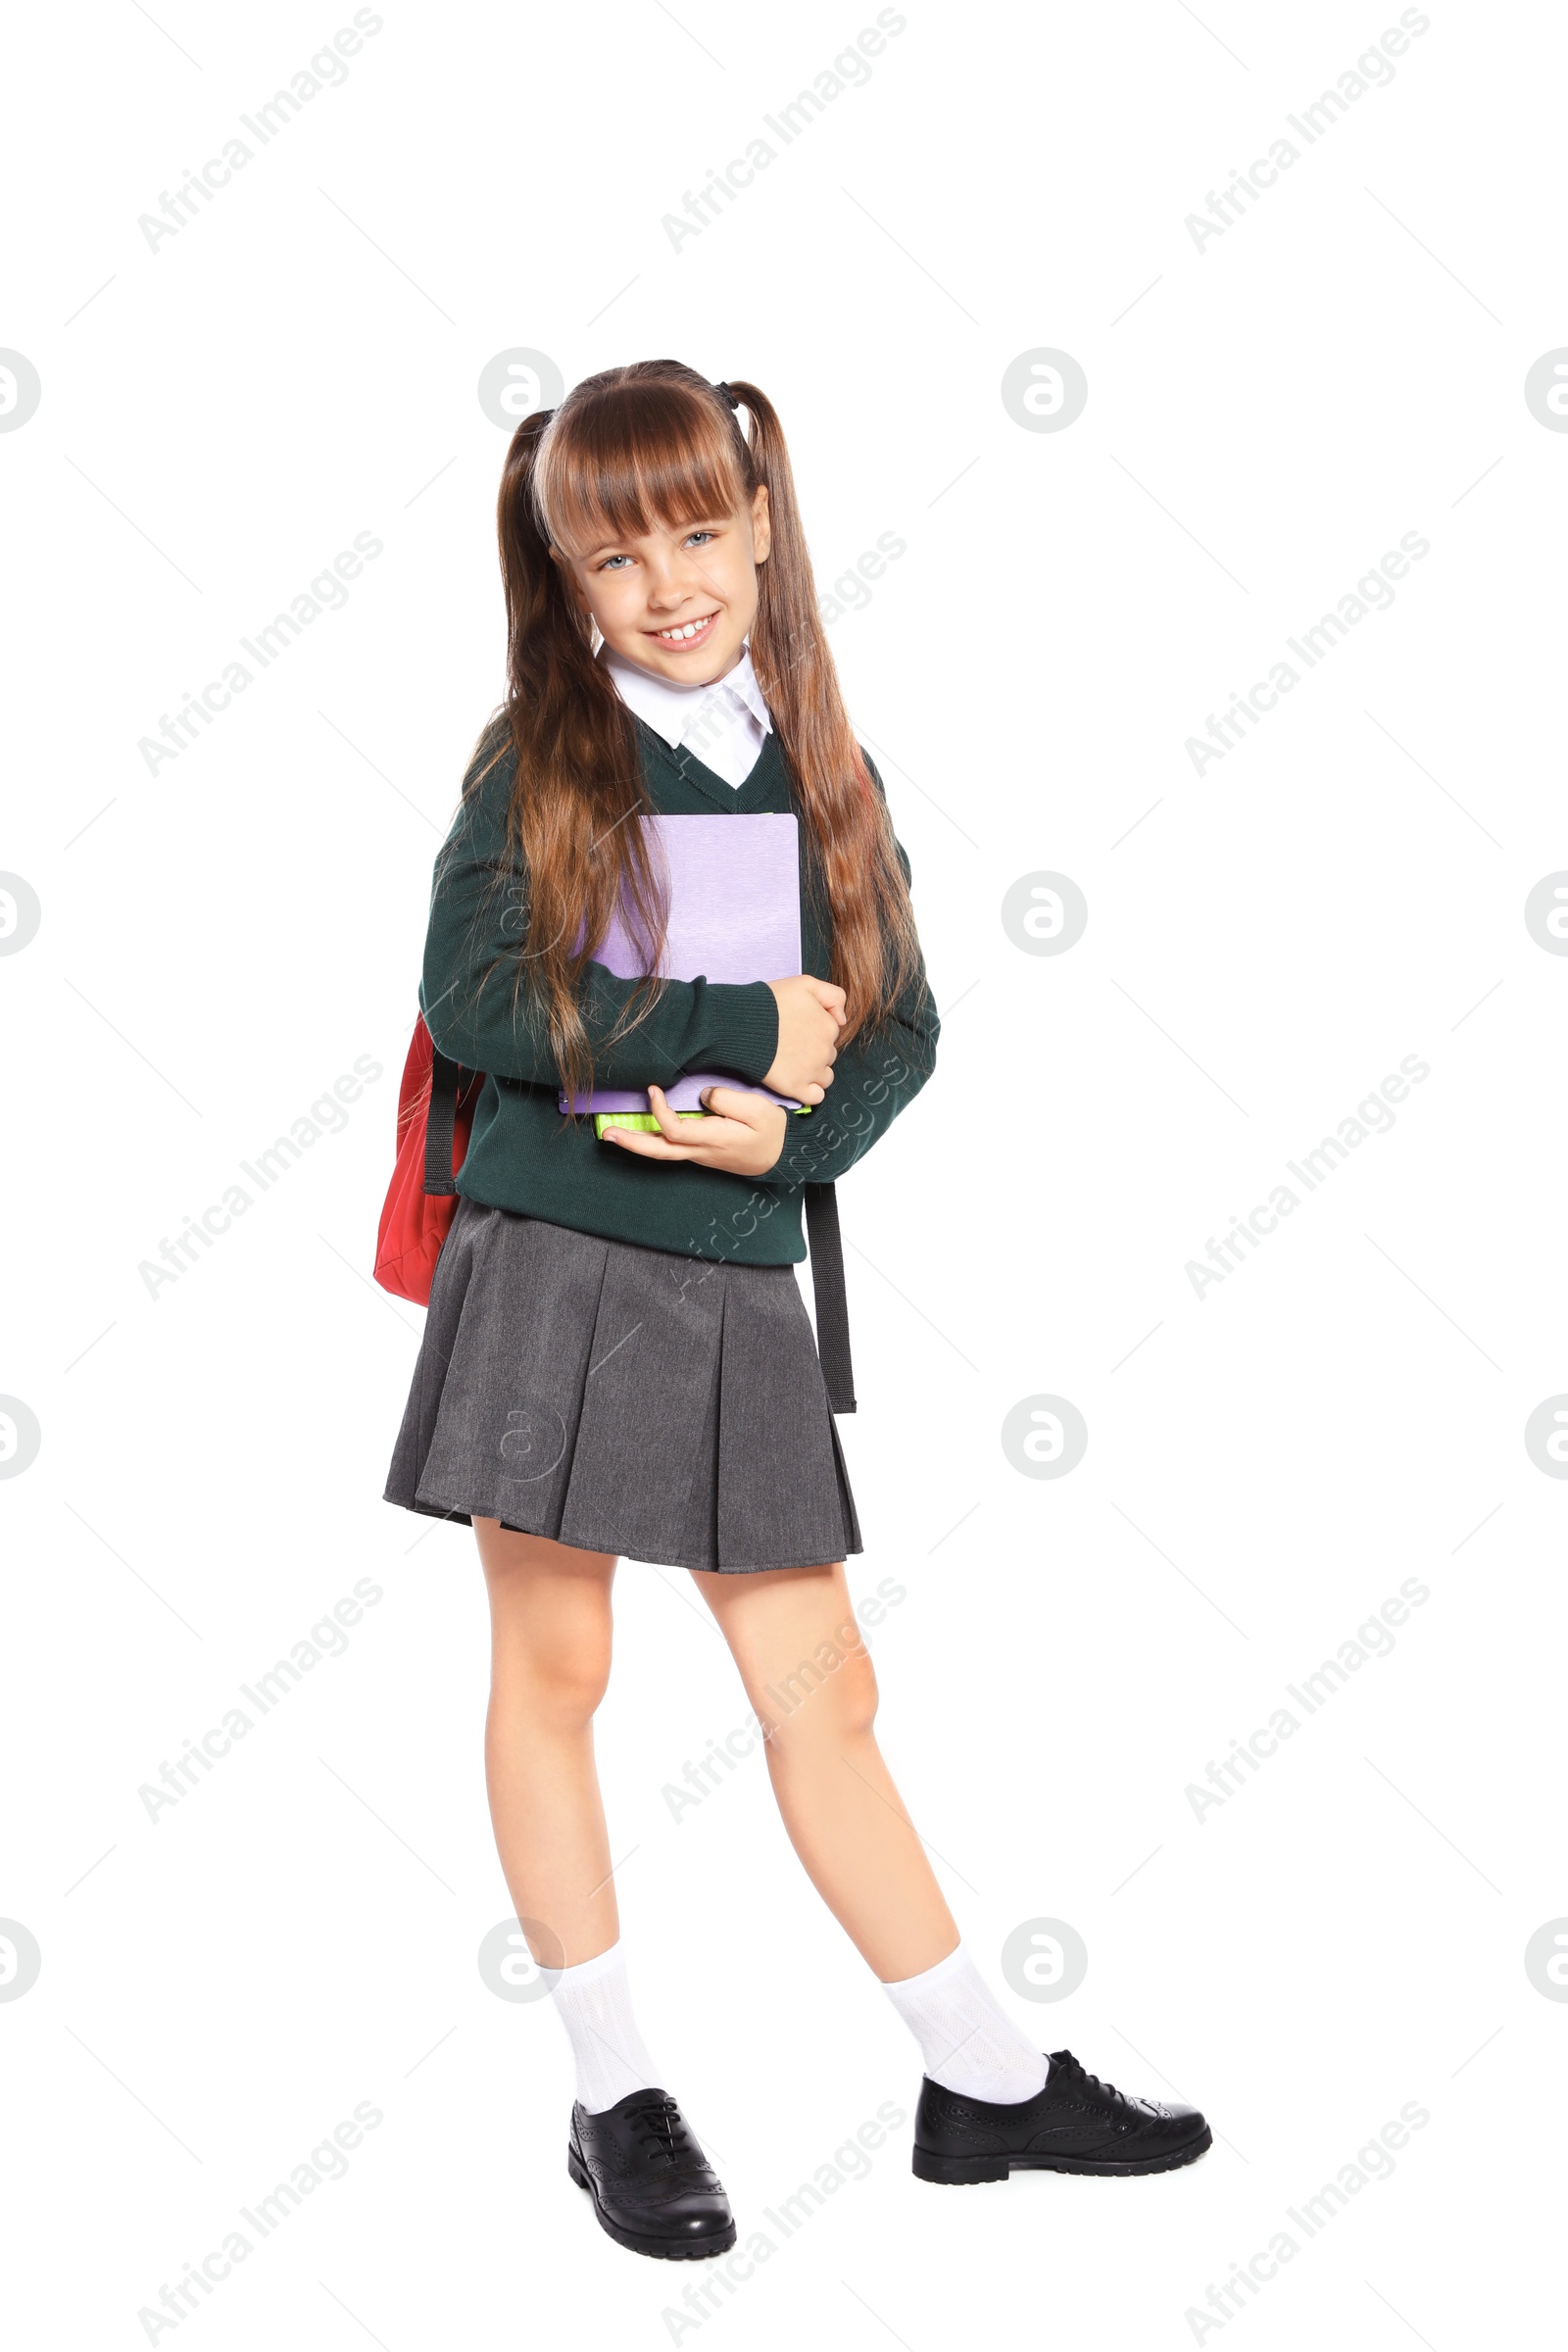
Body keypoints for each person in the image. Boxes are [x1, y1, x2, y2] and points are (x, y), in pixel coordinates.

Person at [385, 360, 1209, 2261]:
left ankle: (979, 2078)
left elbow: (900, 1021)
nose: (665, 580)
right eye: (614, 551)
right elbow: (471, 1003)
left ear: (759, 525)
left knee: (822, 1692)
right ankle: (611, 2098)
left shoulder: (825, 760)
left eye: (693, 529)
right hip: (555, 1254)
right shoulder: (543, 752)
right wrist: (723, 1024)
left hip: (738, 1270)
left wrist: (782, 1126)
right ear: (565, 577)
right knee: (559, 1674)